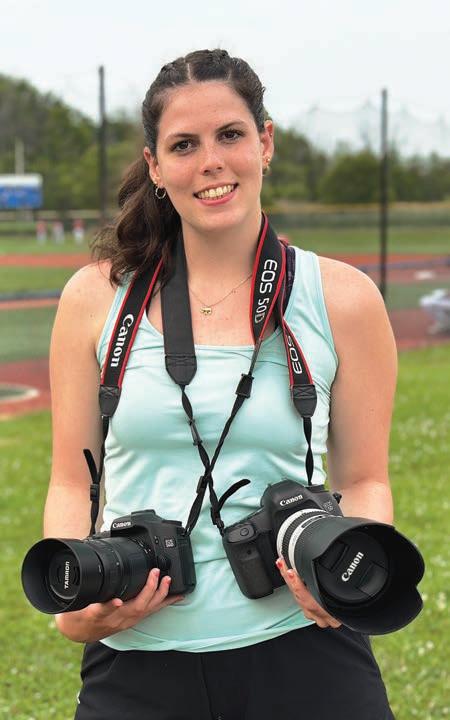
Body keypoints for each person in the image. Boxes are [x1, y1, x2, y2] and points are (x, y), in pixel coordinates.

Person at [45, 49, 397, 719]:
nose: (211, 161)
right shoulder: (96, 299)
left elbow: (365, 478)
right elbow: (72, 480)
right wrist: (73, 602)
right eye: (184, 145)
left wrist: (349, 579)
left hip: (307, 650)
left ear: (265, 143)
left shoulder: (342, 299)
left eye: (230, 135)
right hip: (136, 659)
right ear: (154, 166)